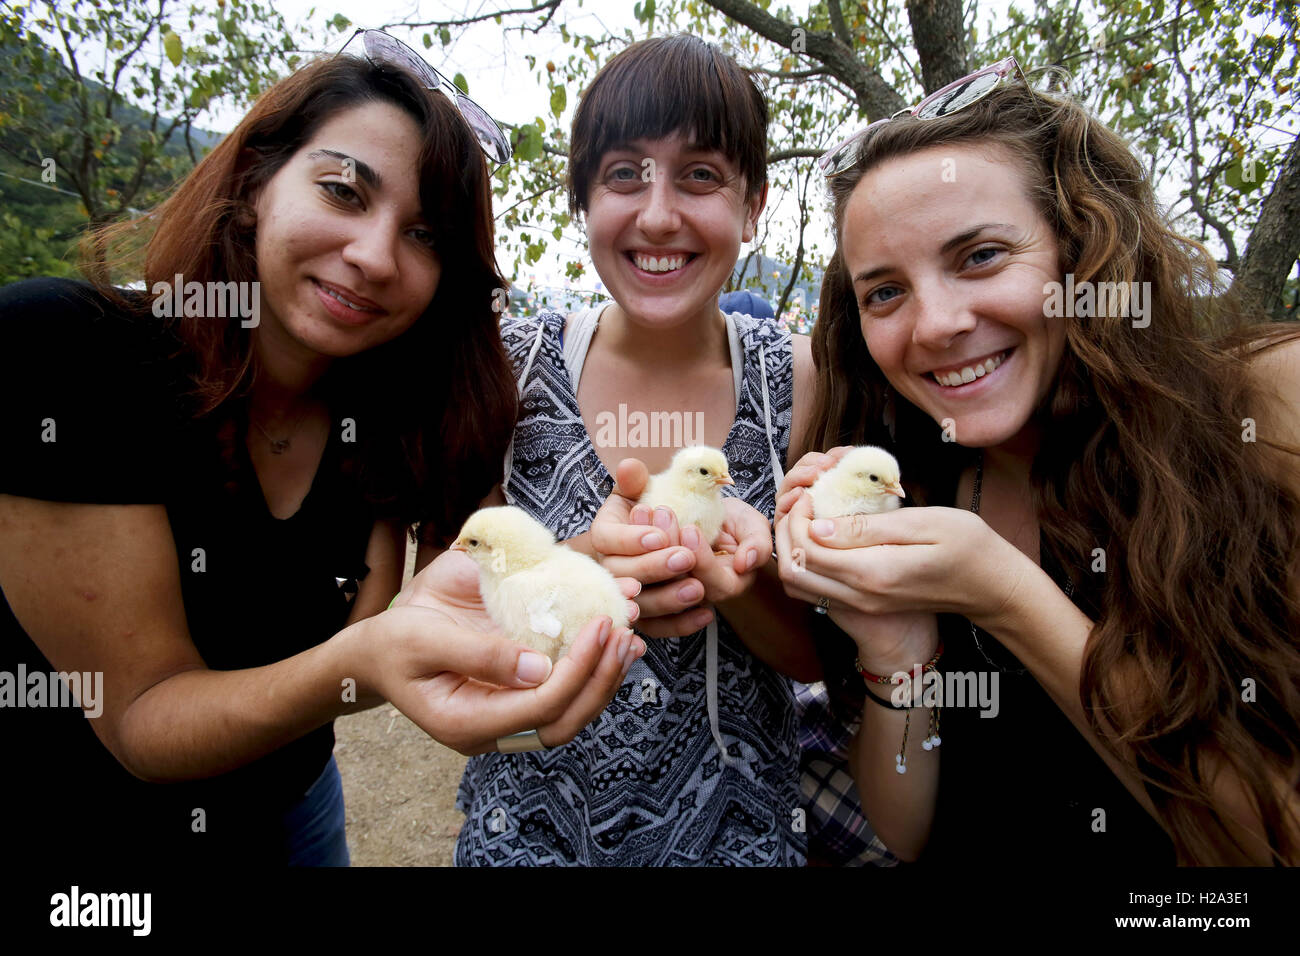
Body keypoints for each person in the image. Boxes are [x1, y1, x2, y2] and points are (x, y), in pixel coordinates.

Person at [0, 33, 641, 867]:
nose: (375, 256)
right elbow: (143, 719)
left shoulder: (387, 414)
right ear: (257, 180)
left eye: (426, 235)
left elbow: (417, 614)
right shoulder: (60, 351)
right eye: (343, 191)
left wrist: (586, 569)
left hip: (295, 809)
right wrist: (369, 661)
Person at [775, 59, 1300, 865]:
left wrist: (1005, 595)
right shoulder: (915, 484)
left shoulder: (1263, 414)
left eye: (980, 256)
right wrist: (898, 650)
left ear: (1082, 246)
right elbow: (903, 832)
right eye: (885, 292)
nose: (937, 325)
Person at [451, 33, 820, 866]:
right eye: (623, 174)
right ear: (583, 200)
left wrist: (738, 579)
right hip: (532, 838)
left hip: (740, 840)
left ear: (753, 203)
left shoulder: (797, 381)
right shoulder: (510, 368)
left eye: (700, 174)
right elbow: (454, 632)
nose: (658, 214)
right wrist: (582, 566)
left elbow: (815, 653)